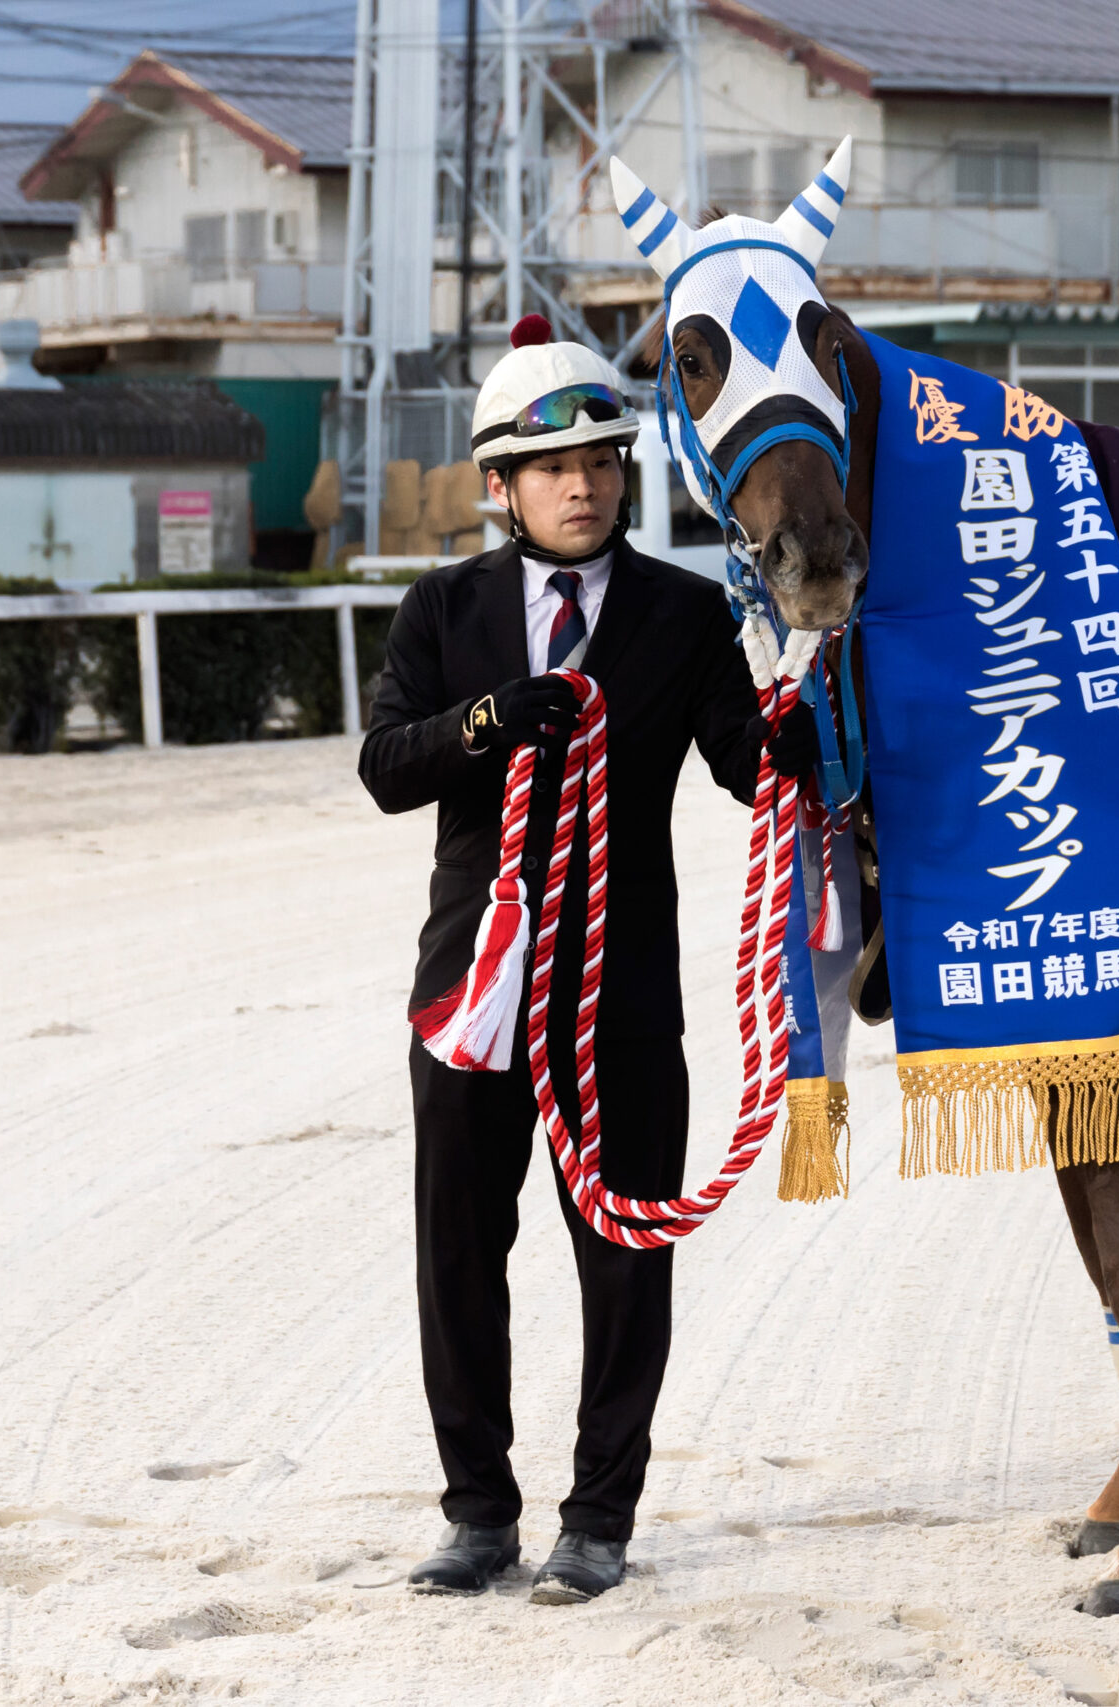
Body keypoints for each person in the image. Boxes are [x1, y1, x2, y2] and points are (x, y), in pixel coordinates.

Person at [357, 315, 754, 1604]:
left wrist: (815, 678)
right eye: (550, 469)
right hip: (473, 993)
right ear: (501, 485)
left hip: (620, 994)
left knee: (626, 1258)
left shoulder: (687, 614)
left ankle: (600, 1519)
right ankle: (477, 1515)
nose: (580, 487)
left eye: (598, 462)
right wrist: (484, 722)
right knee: (459, 1254)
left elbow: (753, 771)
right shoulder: (446, 608)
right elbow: (384, 768)